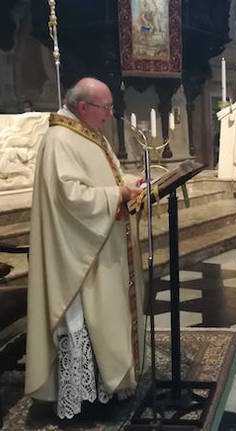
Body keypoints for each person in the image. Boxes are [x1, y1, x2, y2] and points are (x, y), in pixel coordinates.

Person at [25, 77, 145, 419]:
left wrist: (128, 185)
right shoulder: (60, 139)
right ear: (83, 107)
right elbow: (70, 198)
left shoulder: (88, 134)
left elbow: (106, 180)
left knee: (105, 317)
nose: (110, 114)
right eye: (106, 108)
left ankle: (109, 388)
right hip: (77, 258)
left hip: (99, 249)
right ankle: (85, 401)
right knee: (85, 323)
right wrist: (115, 195)